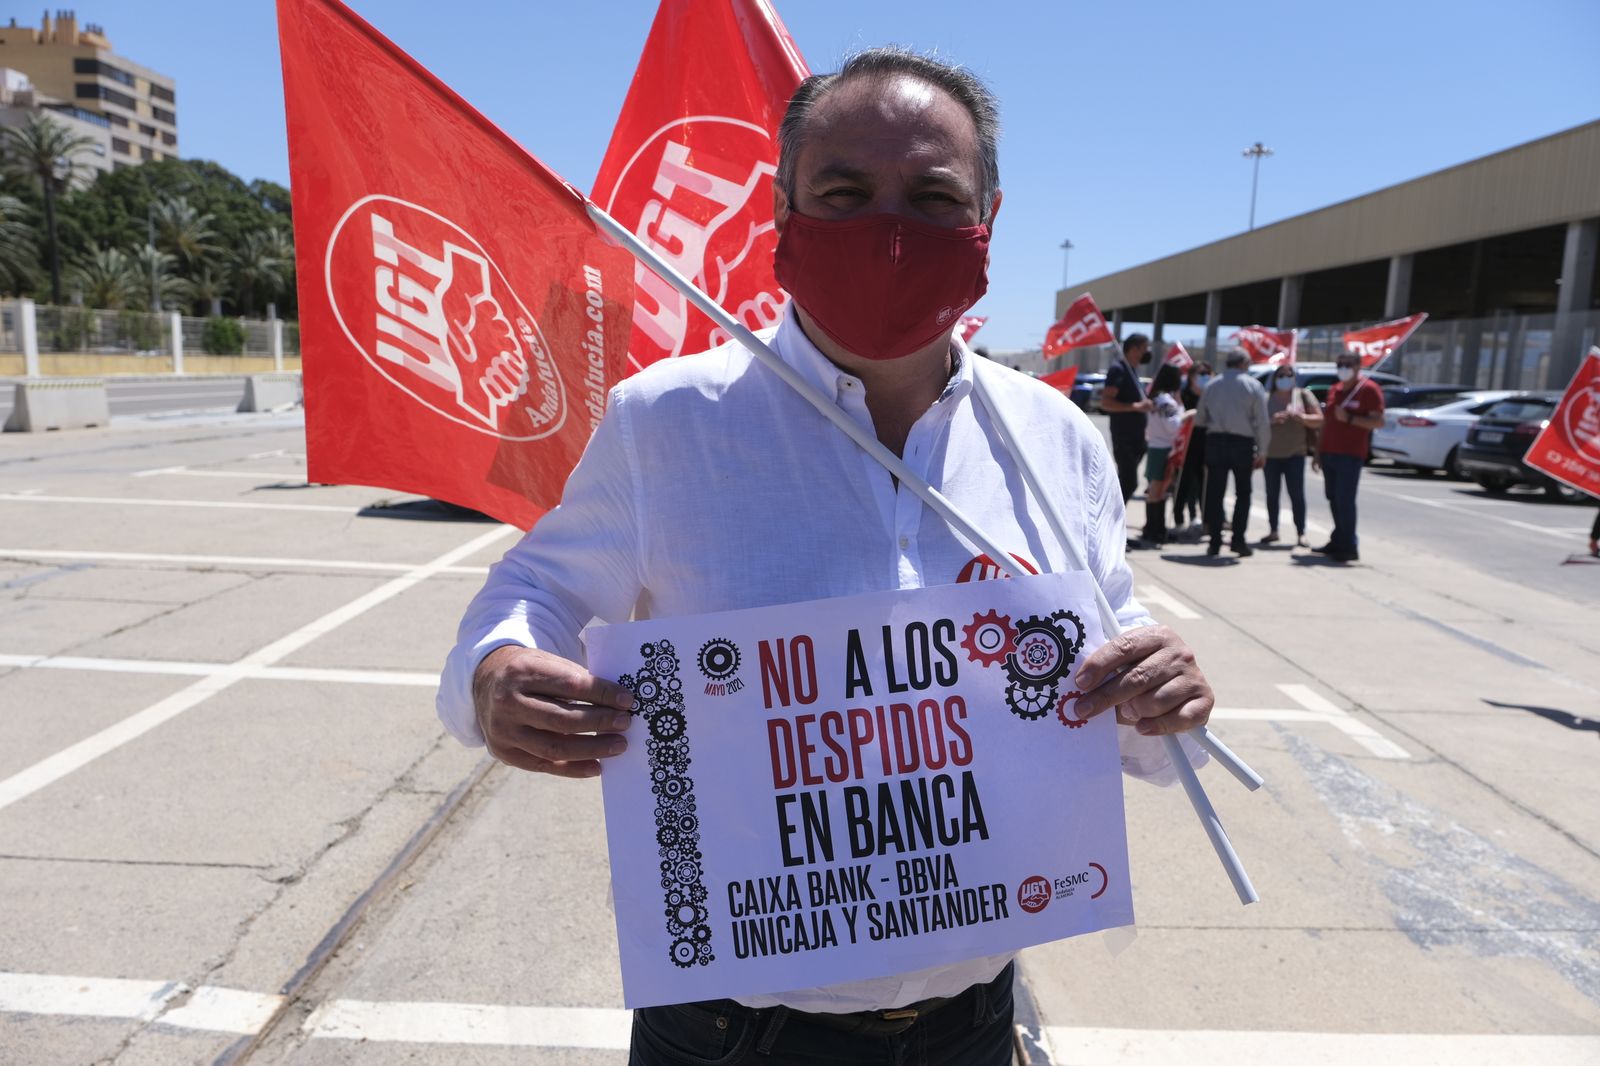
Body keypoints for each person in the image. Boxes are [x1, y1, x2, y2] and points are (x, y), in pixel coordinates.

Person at [436, 48, 1216, 1066]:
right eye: (845, 193)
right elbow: (532, 592)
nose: (887, 231)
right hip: (734, 1031)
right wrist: (496, 673)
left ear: (988, 218)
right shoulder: (669, 420)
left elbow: (1123, 700)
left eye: (932, 198)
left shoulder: (1054, 438)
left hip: (972, 1025)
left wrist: (1163, 695)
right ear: (783, 211)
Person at [1193, 349, 1269, 557]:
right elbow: (1262, 422)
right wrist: (1263, 450)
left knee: (1215, 494)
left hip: (1216, 442)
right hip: (1242, 444)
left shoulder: (1212, 385)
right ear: (1244, 363)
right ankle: (1238, 541)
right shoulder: (1253, 385)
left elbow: (1199, 419)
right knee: (1243, 494)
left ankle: (1215, 542)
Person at [1314, 351, 1385, 562]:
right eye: (1340, 364)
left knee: (1345, 500)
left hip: (1350, 455)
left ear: (1357, 367)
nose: (1343, 368)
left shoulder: (1368, 390)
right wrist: (1318, 451)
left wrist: (1351, 419)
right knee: (1333, 499)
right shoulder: (1334, 389)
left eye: (1347, 364)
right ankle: (1339, 539)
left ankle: (1349, 546)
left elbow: (1378, 421)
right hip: (1329, 452)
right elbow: (1326, 424)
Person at [1260, 365, 1322, 547]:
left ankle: (1301, 533)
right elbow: (1256, 424)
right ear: (1275, 378)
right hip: (1271, 455)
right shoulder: (1266, 398)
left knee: (1297, 495)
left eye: (1289, 376)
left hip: (1296, 454)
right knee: (1272, 494)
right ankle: (1273, 530)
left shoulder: (1302, 395)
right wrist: (1272, 421)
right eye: (1281, 376)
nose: (1285, 379)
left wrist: (1302, 417)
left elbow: (1319, 419)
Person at [1099, 333, 1154, 505]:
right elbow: (1106, 402)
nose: (1147, 352)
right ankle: (1110, 518)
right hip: (1124, 436)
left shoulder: (1133, 371)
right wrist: (1135, 407)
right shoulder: (1119, 369)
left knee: (1126, 481)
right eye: (1144, 348)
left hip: (1137, 437)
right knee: (1129, 482)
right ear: (1133, 349)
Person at [1139, 364, 1185, 545]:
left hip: (1155, 446)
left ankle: (1153, 527)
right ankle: (1155, 529)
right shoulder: (1167, 401)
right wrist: (1185, 411)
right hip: (1164, 448)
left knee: (1155, 490)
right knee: (1158, 491)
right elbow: (1174, 426)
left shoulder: (1155, 398)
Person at [1173, 361, 1212, 534]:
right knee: (1183, 482)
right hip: (1186, 445)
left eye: (1207, 374)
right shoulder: (1182, 394)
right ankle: (1178, 519)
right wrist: (1190, 414)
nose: (1204, 377)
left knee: (1204, 484)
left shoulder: (1211, 394)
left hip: (1205, 444)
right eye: (1200, 374)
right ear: (1191, 376)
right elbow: (1176, 419)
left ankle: (1204, 520)